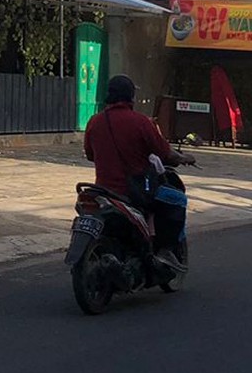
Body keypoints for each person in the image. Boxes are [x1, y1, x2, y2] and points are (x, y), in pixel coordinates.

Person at [83, 75, 196, 270]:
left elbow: (90, 155)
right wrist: (185, 158)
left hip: (102, 190)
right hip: (134, 192)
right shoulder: (141, 122)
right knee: (177, 199)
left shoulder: (94, 122)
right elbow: (165, 152)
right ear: (130, 97)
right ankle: (166, 250)